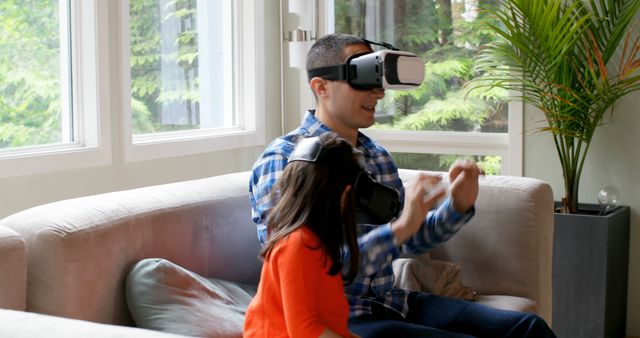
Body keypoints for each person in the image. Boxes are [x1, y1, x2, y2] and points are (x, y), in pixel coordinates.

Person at [249, 33, 556, 338]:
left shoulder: (377, 157)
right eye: (362, 79)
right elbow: (303, 262)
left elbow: (407, 242)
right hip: (343, 313)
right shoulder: (289, 160)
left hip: (394, 302)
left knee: (527, 328)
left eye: (378, 81)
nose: (378, 94)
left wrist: (457, 207)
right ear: (321, 87)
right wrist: (399, 228)